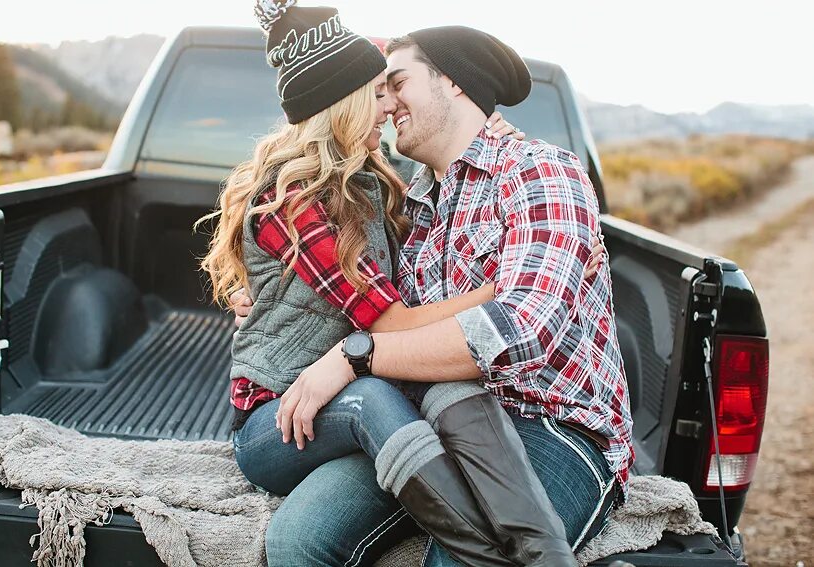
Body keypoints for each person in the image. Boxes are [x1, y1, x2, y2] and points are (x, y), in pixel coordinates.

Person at [199, 1, 604, 565]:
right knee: (300, 535)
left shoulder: (535, 173)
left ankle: (523, 555)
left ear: (454, 85)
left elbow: (521, 330)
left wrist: (352, 355)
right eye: (377, 91)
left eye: (397, 83)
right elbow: (386, 317)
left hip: (543, 421)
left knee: (451, 558)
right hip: (378, 406)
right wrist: (271, 307)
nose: (387, 105)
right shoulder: (413, 201)